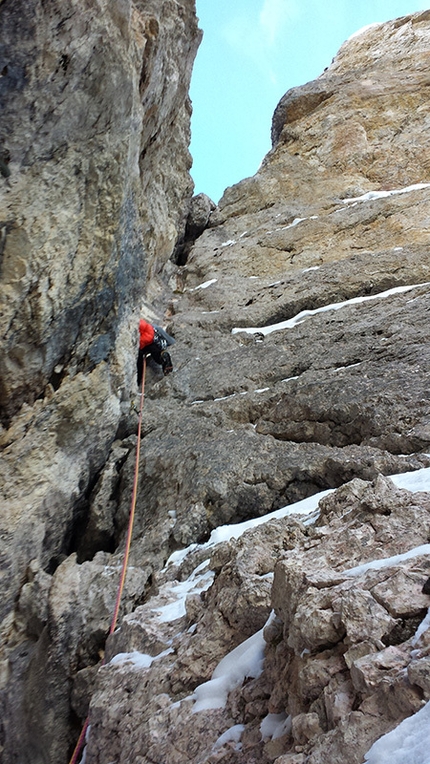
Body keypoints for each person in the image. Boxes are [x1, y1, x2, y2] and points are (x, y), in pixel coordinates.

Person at [137, 319, 174, 385]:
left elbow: (140, 346)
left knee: (139, 362)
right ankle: (163, 356)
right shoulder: (151, 326)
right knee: (157, 354)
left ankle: (138, 381)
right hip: (154, 336)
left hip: (144, 342)